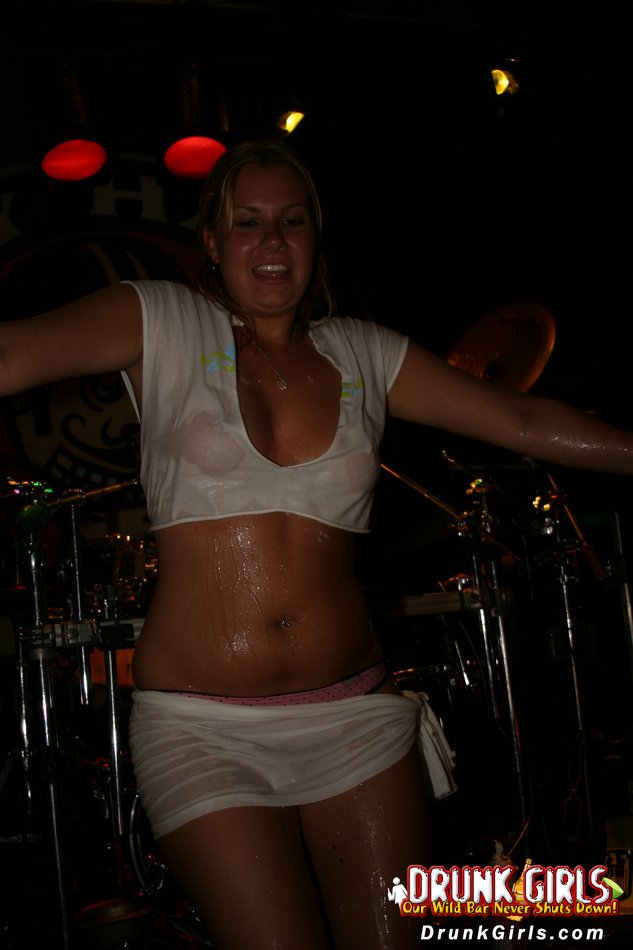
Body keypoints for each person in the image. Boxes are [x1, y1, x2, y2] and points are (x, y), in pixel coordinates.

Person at [1, 138, 633, 949]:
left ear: (314, 236)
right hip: (201, 729)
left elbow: (520, 418)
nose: (271, 241)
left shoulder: (365, 351)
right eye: (247, 221)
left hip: (354, 717)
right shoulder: (158, 318)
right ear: (211, 240)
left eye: (291, 221)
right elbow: (11, 352)